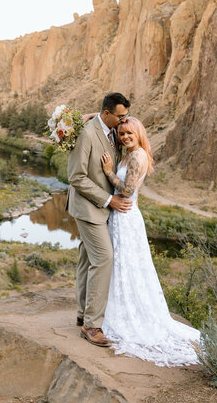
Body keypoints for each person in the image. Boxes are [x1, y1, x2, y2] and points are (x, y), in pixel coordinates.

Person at [100, 116, 200, 366]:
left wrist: (108, 172)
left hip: (125, 217)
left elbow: (126, 190)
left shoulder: (137, 156)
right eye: (121, 133)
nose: (124, 137)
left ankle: (128, 315)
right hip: (122, 215)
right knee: (122, 266)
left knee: (128, 266)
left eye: (129, 133)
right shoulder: (129, 153)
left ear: (139, 133)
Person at [67, 92, 131, 347]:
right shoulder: (87, 133)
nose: (125, 121)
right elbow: (76, 177)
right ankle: (92, 326)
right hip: (88, 208)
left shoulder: (111, 128)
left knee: (87, 257)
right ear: (107, 114)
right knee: (104, 258)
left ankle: (83, 313)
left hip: (101, 208)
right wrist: (109, 200)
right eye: (121, 116)